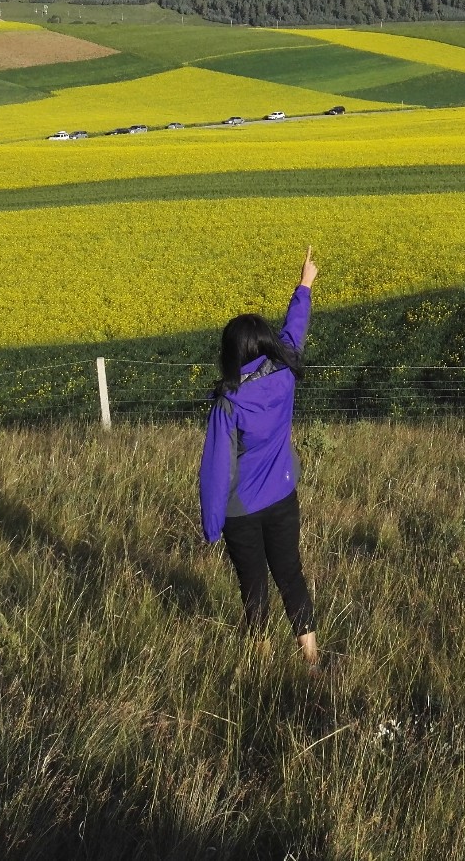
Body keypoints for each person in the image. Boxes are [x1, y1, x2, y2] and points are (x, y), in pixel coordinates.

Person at [199, 247, 320, 668]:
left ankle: (262, 660)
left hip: (242, 511)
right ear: (265, 346)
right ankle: (311, 658)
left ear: (233, 354)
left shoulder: (228, 403)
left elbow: (216, 470)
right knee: (291, 575)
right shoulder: (284, 374)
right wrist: (304, 284)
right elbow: (294, 333)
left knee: (253, 587)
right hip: (282, 496)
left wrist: (212, 526)